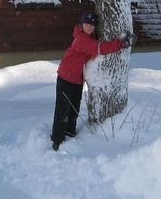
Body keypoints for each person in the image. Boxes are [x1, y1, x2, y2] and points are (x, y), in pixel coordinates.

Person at [50, 11, 131, 151]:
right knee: (62, 110)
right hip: (65, 77)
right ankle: (57, 139)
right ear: (82, 25)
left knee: (73, 108)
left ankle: (70, 131)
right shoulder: (82, 39)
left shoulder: (89, 37)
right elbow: (101, 48)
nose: (89, 27)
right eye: (86, 24)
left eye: (92, 25)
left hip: (76, 79)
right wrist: (122, 43)